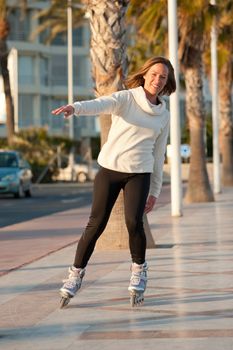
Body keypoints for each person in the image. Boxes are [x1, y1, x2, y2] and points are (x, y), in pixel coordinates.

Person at [52, 56, 176, 305]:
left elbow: (158, 154)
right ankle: (75, 275)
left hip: (139, 174)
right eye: (154, 74)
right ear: (144, 75)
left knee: (134, 222)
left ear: (167, 82)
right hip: (110, 170)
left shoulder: (164, 115)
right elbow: (101, 104)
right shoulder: (127, 98)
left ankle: (139, 271)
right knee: (95, 224)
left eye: (162, 77)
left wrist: (154, 191)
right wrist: (75, 108)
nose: (157, 80)